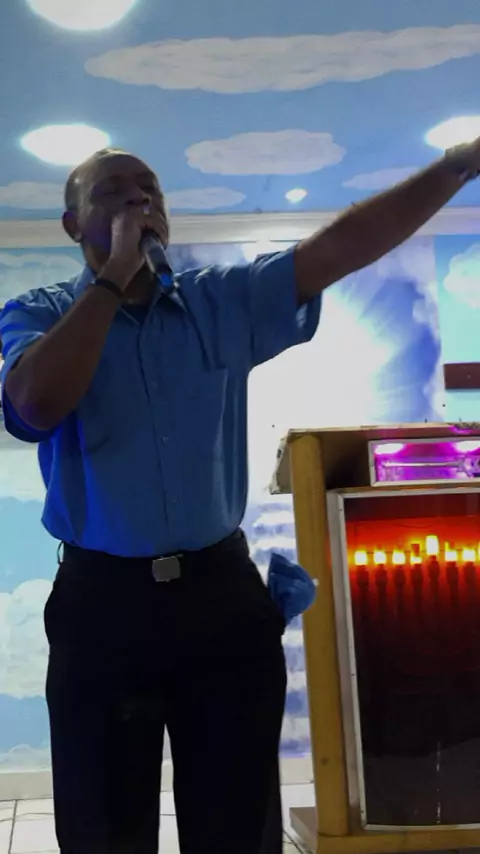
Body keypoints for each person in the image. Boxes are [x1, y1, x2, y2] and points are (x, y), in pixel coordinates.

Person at [1, 139, 480, 854]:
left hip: (218, 595)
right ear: (73, 225)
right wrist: (112, 281)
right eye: (112, 190)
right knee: (102, 820)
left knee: (238, 819)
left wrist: (458, 165)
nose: (139, 198)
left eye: (149, 186)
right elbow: (34, 406)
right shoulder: (36, 314)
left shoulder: (216, 301)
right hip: (102, 605)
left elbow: (340, 248)